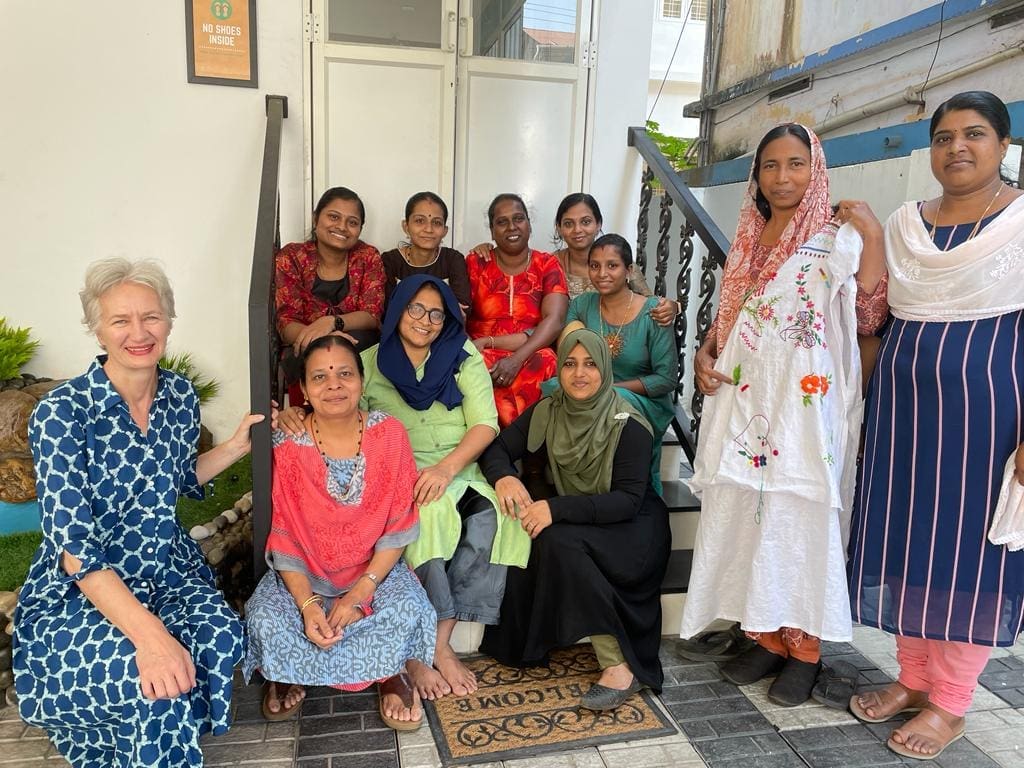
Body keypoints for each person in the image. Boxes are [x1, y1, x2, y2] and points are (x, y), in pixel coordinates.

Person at [13, 258, 262, 767]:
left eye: (151, 316)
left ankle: (153, 736)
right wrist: (151, 637)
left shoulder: (178, 396)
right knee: (152, 673)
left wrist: (237, 446)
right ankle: (124, 739)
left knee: (220, 634)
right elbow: (75, 550)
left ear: (169, 319)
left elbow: (177, 477)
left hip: (166, 566)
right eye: (120, 321)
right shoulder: (61, 413)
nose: (138, 332)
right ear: (97, 329)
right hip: (85, 582)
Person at [680, 123, 888, 706]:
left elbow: (870, 312)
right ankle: (765, 636)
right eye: (770, 166)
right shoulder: (750, 232)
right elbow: (734, 317)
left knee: (801, 514)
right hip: (746, 398)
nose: (782, 177)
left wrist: (871, 231)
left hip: (805, 403)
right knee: (748, 510)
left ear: (815, 168)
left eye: (796, 164)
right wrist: (705, 350)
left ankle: (805, 648)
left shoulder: (836, 233)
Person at [847, 91, 1024, 760]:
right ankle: (914, 677)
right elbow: (874, 314)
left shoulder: (1022, 222)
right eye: (944, 136)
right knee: (908, 543)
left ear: (1003, 145)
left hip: (990, 420)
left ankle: (950, 703)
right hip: (903, 415)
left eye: (974, 134)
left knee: (966, 557)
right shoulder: (903, 225)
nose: (958, 147)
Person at [243, 335, 437, 730]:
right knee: (264, 616)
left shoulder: (390, 435)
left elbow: (398, 527)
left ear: (362, 382)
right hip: (306, 572)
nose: (334, 385)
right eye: (320, 377)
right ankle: (289, 671)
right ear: (305, 390)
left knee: (407, 609)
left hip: (373, 573)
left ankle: (390, 674)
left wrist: (359, 593)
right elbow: (284, 534)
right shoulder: (288, 442)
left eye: (345, 373)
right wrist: (309, 605)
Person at [479, 329, 671, 711]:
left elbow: (628, 502)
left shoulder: (629, 422)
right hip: (587, 515)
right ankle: (535, 639)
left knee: (558, 540)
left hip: (633, 530)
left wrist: (556, 509)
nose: (579, 374)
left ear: (605, 369)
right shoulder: (550, 409)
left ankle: (619, 664)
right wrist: (504, 477)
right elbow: (497, 447)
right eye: (569, 363)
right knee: (539, 535)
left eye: (590, 364)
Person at [360, 274, 530, 700]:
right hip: (401, 471)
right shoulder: (369, 362)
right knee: (429, 516)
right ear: (398, 310)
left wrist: (445, 469)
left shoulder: (463, 354)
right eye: (416, 308)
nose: (426, 320)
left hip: (460, 466)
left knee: (495, 516)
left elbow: (485, 423)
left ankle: (441, 637)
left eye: (437, 312)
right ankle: (437, 644)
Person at [561, 233, 678, 493]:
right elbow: (568, 355)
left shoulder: (653, 311)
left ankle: (631, 491)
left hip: (640, 401)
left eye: (612, 265)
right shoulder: (581, 306)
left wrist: (612, 389)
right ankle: (579, 486)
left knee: (615, 402)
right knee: (552, 390)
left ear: (629, 270)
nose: (602, 273)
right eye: (595, 266)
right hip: (589, 395)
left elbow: (666, 379)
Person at [473, 193, 678, 324]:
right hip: (565, 348)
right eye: (569, 224)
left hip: (615, 343)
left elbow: (651, 302)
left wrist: (674, 306)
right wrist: (489, 250)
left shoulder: (617, 262)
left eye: (586, 222)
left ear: (598, 224)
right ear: (559, 229)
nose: (578, 230)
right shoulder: (550, 265)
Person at [465, 193, 569, 427]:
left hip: (531, 349)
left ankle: (527, 450)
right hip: (481, 350)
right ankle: (493, 448)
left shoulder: (547, 264)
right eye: (502, 222)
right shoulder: (475, 263)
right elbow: (458, 314)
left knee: (545, 361)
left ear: (529, 225)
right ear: (491, 231)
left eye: (519, 219)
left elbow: (555, 320)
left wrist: (517, 359)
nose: (512, 227)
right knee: (473, 363)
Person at [275, 186, 385, 401]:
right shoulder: (293, 256)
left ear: (360, 229)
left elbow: (372, 315)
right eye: (334, 217)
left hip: (358, 345)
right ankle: (306, 415)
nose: (342, 227)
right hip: (306, 347)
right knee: (297, 353)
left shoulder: (368, 256)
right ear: (316, 218)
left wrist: (332, 322)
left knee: (365, 342)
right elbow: (286, 325)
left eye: (352, 222)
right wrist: (327, 339)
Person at [381, 192, 471, 310]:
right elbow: (386, 310)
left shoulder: (452, 259)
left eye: (437, 223)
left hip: (444, 327)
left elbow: (463, 307)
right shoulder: (391, 261)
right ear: (406, 226)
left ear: (445, 230)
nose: (429, 229)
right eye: (419, 221)